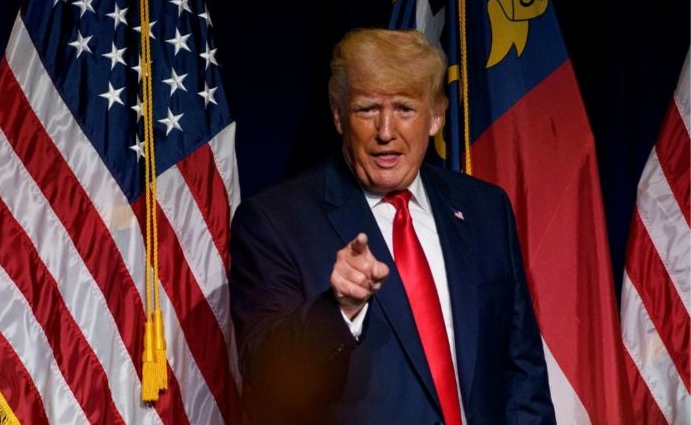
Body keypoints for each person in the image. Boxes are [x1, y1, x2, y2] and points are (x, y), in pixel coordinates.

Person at [229, 28, 555, 424]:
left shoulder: (485, 209)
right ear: (337, 114)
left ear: (436, 116)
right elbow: (266, 374)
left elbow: (522, 376)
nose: (386, 132)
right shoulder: (274, 222)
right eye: (367, 109)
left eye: (405, 108)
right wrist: (340, 309)